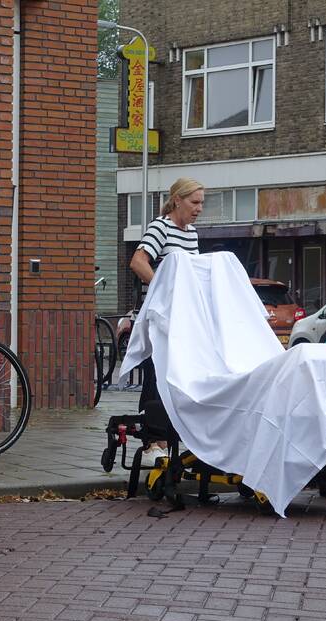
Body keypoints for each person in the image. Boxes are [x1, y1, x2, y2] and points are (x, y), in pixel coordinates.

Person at [128, 177, 204, 461]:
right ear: (177, 201)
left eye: (201, 203)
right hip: (160, 316)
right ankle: (153, 443)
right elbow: (138, 261)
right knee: (157, 374)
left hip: (182, 316)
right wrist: (163, 290)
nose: (199, 209)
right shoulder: (161, 227)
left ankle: (173, 435)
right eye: (194, 202)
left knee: (178, 375)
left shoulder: (192, 234)